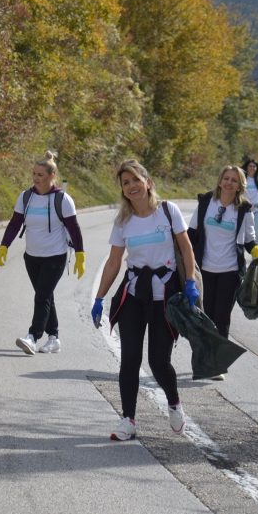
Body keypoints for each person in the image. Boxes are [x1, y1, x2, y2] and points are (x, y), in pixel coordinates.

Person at [90, 159, 197, 441]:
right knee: (130, 359)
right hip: (135, 294)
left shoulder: (168, 211)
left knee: (159, 360)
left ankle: (174, 403)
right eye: (126, 183)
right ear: (123, 190)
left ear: (147, 182)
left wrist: (190, 284)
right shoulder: (123, 221)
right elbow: (114, 262)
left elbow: (186, 249)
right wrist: (99, 297)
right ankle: (128, 419)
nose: (131, 186)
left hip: (164, 297)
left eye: (135, 180)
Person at [0, 151, 85, 355]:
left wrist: (80, 255)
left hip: (55, 256)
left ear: (52, 176)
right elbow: (15, 223)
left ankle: (33, 336)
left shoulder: (63, 200)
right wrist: (4, 245)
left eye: (40, 175)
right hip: (32, 256)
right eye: (34, 174)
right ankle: (53, 337)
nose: (36, 178)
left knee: (42, 295)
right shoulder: (26, 197)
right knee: (44, 296)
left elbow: (74, 228)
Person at [187, 165, 258, 380]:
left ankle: (216, 364)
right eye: (226, 178)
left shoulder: (244, 208)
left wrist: (257, 250)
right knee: (204, 316)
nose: (229, 183)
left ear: (240, 185)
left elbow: (250, 240)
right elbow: (191, 233)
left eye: (234, 180)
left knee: (221, 317)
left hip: (230, 271)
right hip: (203, 270)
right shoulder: (206, 202)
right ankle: (204, 356)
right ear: (220, 181)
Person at [241, 158, 258, 237]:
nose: (252, 168)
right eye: (250, 166)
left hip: (256, 210)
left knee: (256, 234)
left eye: (254, 166)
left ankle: (256, 248)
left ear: (256, 168)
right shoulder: (242, 179)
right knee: (243, 234)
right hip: (244, 210)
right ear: (246, 167)